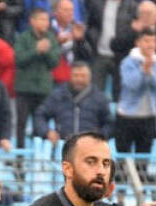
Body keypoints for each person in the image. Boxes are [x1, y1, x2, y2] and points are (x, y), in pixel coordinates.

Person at [111, 0, 156, 103]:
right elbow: (115, 46)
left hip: (155, 91)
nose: (146, 17)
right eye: (143, 13)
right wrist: (133, 32)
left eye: (149, 13)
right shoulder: (129, 30)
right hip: (129, 89)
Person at [114, 29, 156, 154]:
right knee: (123, 155)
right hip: (127, 115)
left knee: (144, 156)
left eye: (153, 41)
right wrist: (143, 70)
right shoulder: (127, 62)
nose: (150, 45)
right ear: (138, 43)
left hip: (149, 116)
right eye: (146, 41)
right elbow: (130, 85)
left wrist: (151, 74)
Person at [14, 9, 62, 148]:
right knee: (21, 123)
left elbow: (54, 62)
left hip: (43, 88)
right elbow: (19, 60)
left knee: (41, 123)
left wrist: (45, 52)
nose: (45, 23)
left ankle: (39, 152)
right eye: (41, 19)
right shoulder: (23, 38)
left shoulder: (51, 38)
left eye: (47, 20)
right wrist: (36, 51)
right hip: (24, 88)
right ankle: (20, 155)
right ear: (32, 21)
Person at [33, 61, 111, 143]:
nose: (79, 79)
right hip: (63, 144)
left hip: (90, 145)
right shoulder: (58, 95)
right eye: (76, 75)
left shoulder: (99, 98)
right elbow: (40, 115)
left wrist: (99, 136)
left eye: (83, 76)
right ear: (70, 76)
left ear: (90, 77)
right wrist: (47, 132)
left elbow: (109, 124)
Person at [50, 0, 92, 84]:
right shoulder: (48, 28)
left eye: (71, 10)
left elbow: (88, 55)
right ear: (55, 12)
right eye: (66, 10)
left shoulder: (77, 28)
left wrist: (80, 40)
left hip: (72, 77)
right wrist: (58, 42)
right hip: (52, 77)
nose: (70, 13)